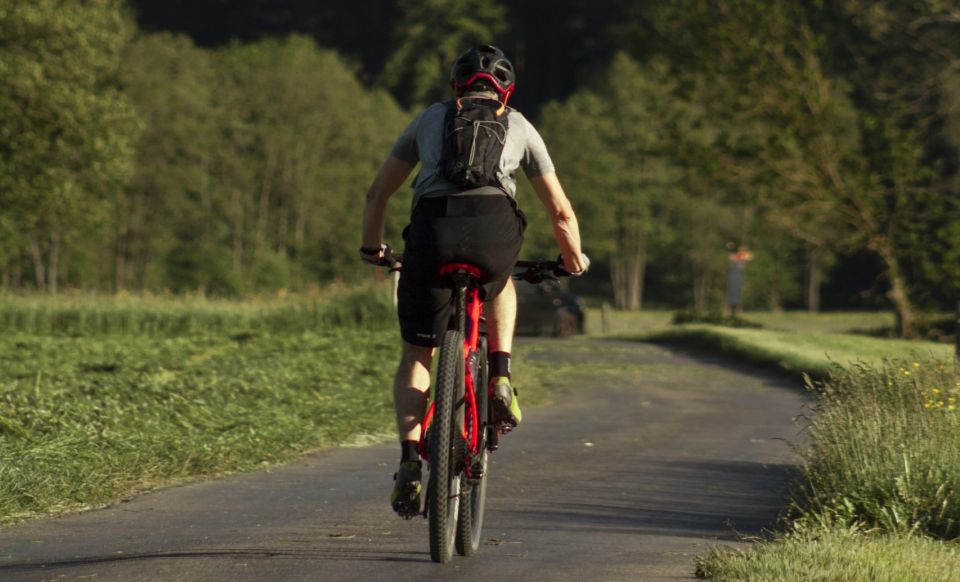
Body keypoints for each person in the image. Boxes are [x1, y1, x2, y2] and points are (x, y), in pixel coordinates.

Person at [359, 45, 588, 516]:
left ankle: (408, 460)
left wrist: (371, 247)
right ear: (507, 89)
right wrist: (571, 260)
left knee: (417, 353)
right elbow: (561, 212)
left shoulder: (428, 120)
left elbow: (377, 192)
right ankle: (500, 375)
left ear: (455, 85)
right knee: (499, 281)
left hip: (433, 230)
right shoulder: (521, 125)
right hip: (493, 230)